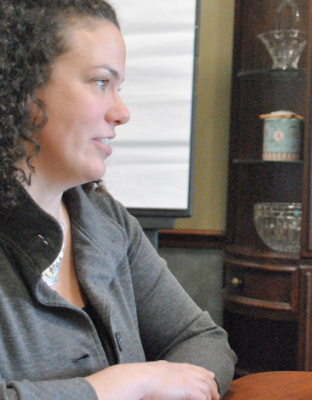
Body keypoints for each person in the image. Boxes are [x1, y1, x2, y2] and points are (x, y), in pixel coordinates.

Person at [0, 1, 236, 399]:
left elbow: (202, 338)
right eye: (100, 83)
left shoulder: (104, 220)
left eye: (119, 88)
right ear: (22, 86)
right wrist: (118, 386)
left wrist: (174, 387)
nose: (122, 112)